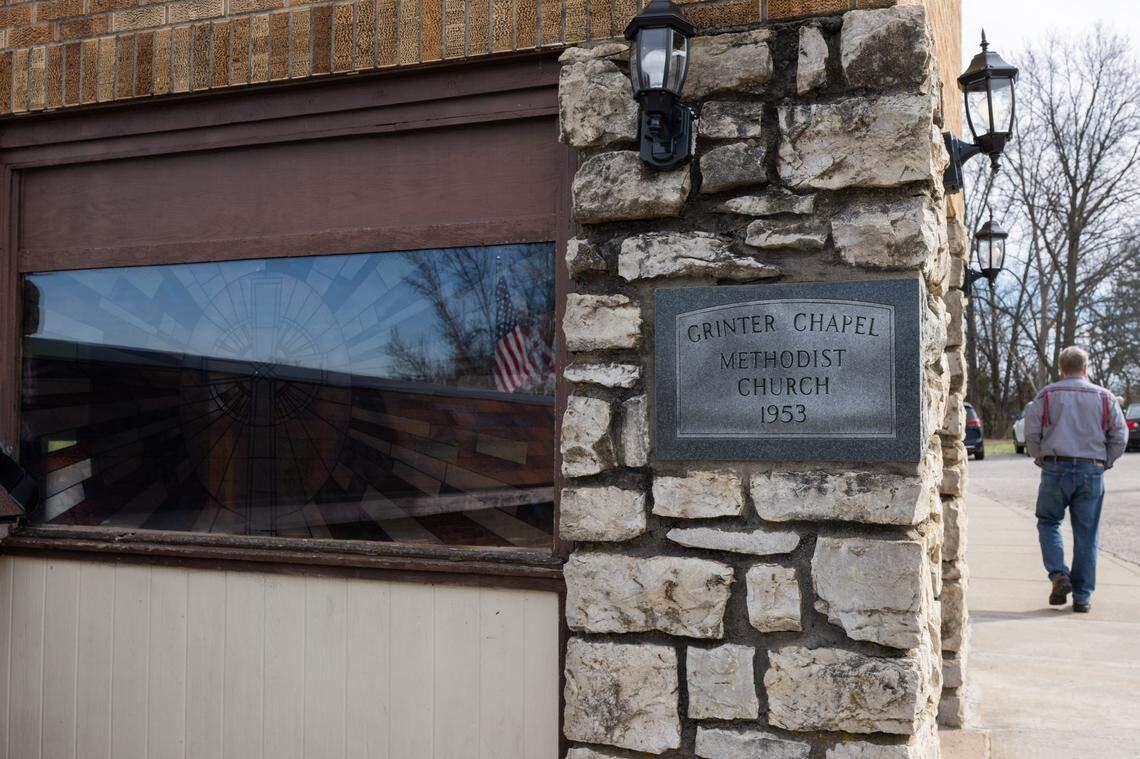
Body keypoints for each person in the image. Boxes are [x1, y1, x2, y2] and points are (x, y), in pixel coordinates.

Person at [1023, 346, 1128, 613]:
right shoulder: (1104, 397)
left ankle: (1059, 575)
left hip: (1055, 467)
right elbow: (1120, 436)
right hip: (1091, 469)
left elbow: (1031, 433)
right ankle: (1082, 597)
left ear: (1061, 369)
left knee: (1049, 522)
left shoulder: (1047, 395)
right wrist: (1105, 462)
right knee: (1087, 534)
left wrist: (1040, 458)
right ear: (1086, 368)